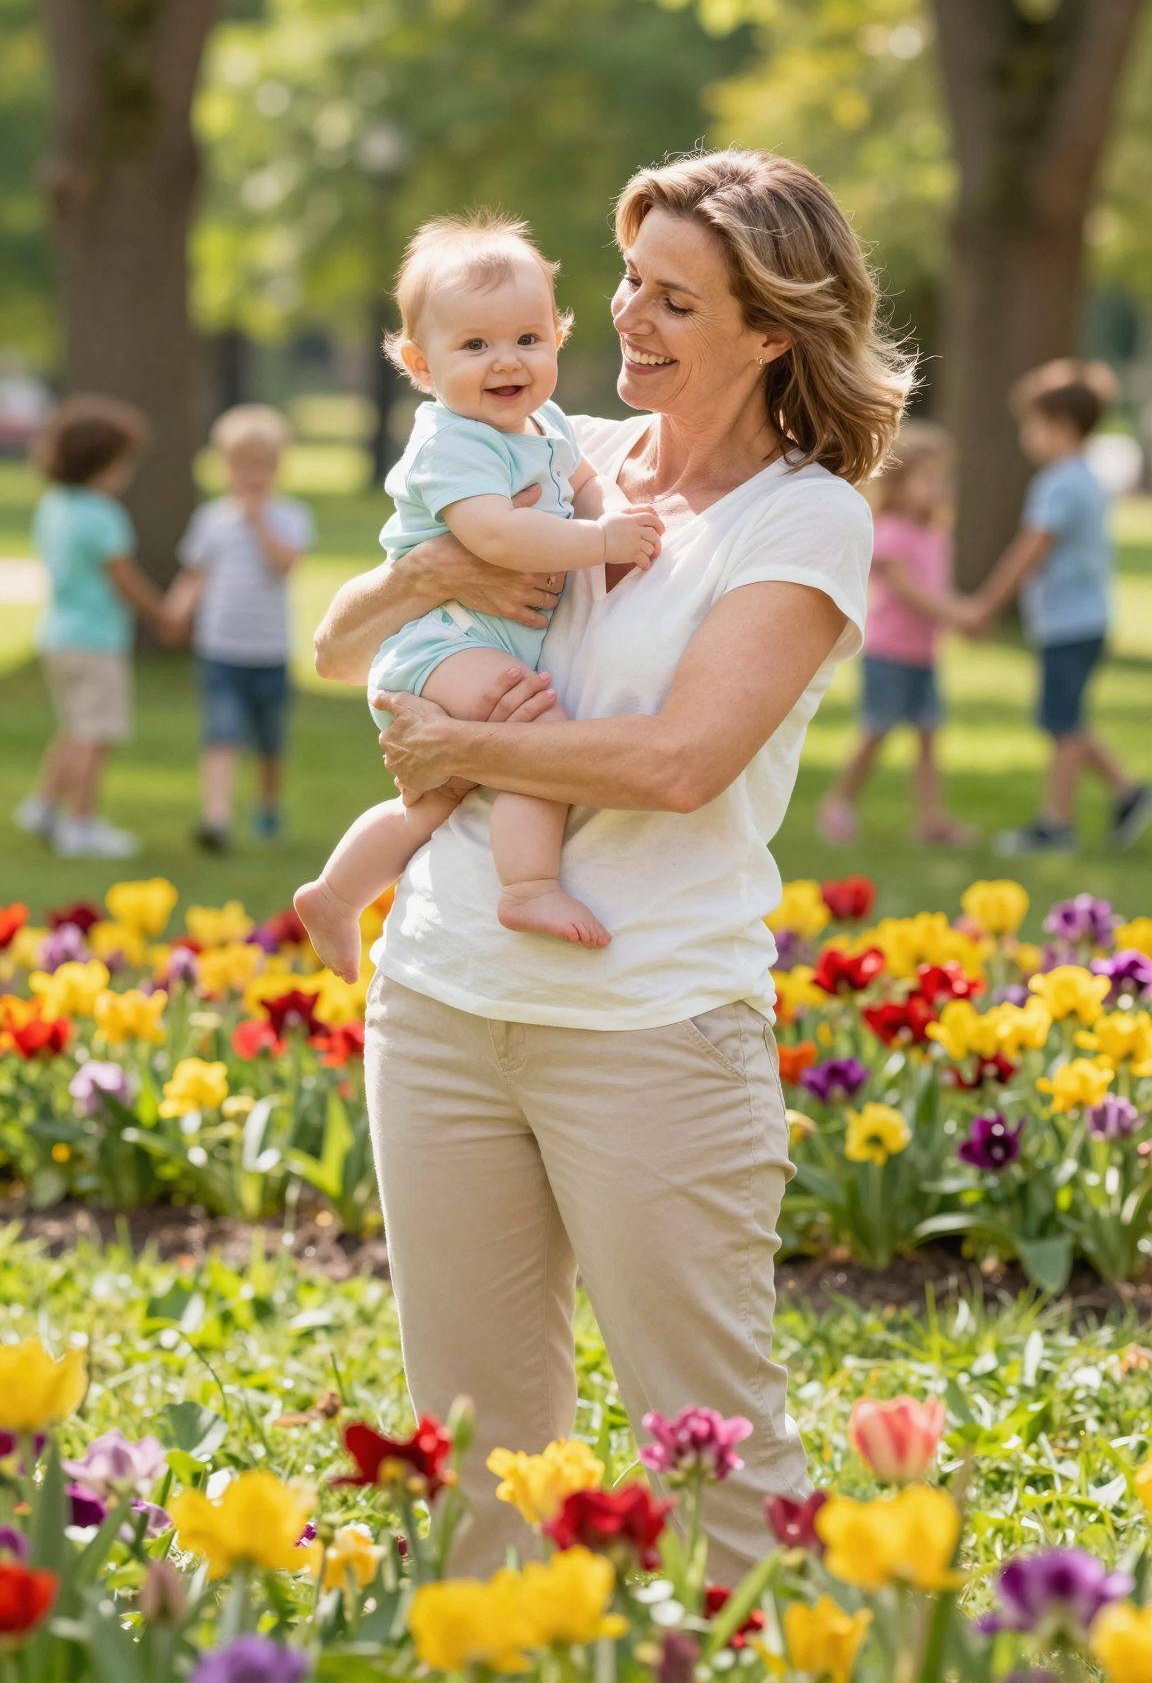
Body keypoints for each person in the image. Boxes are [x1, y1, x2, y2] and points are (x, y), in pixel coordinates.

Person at [312, 149, 911, 1580]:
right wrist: (424, 581)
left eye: (677, 301)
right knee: (478, 1462)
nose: (630, 318)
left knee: (715, 1459)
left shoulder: (802, 520)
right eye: (631, 283)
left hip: (650, 1030)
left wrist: (457, 758)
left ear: (771, 331)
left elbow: (676, 764)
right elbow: (344, 654)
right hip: (443, 1003)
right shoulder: (544, 456)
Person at [294, 215, 663, 982]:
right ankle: (527, 887)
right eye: (475, 346)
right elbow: (493, 536)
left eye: (528, 339)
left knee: (433, 802)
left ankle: (335, 894)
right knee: (536, 736)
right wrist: (602, 544)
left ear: (557, 336)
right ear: (419, 364)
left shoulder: (548, 423)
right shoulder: (452, 442)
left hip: (477, 641)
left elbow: (581, 482)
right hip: (443, 645)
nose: (507, 362)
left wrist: (603, 513)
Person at [966, 362, 1150, 855]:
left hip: (1071, 623)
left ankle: (1056, 824)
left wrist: (985, 606)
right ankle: (1130, 793)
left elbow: (1029, 551)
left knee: (1062, 723)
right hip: (1083, 621)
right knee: (1062, 715)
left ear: (1061, 427)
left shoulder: (1059, 484)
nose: (1027, 436)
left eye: (1033, 424)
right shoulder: (1085, 478)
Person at [17, 394, 170, 858]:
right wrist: (161, 615)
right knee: (94, 733)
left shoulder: (54, 505)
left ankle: (43, 807)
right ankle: (79, 823)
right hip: (96, 641)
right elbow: (124, 577)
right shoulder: (103, 516)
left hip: (58, 637)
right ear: (100, 463)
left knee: (73, 727)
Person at [166, 405, 313, 852]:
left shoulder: (290, 517)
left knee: (270, 741)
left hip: (268, 651)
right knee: (221, 732)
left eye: (262, 466)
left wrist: (258, 520)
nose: (252, 476)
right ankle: (217, 816)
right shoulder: (211, 519)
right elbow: (195, 573)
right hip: (221, 650)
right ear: (224, 467)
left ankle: (267, 806)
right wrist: (178, 609)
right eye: (241, 465)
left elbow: (285, 566)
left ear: (277, 469)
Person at [819, 420, 973, 846]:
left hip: (923, 654)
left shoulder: (935, 532)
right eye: (928, 479)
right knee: (876, 731)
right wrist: (961, 614)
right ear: (899, 483)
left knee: (928, 736)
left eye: (944, 479)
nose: (938, 488)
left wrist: (956, 614)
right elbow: (911, 593)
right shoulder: (890, 534)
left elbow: (937, 590)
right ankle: (838, 803)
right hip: (889, 653)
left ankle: (931, 819)